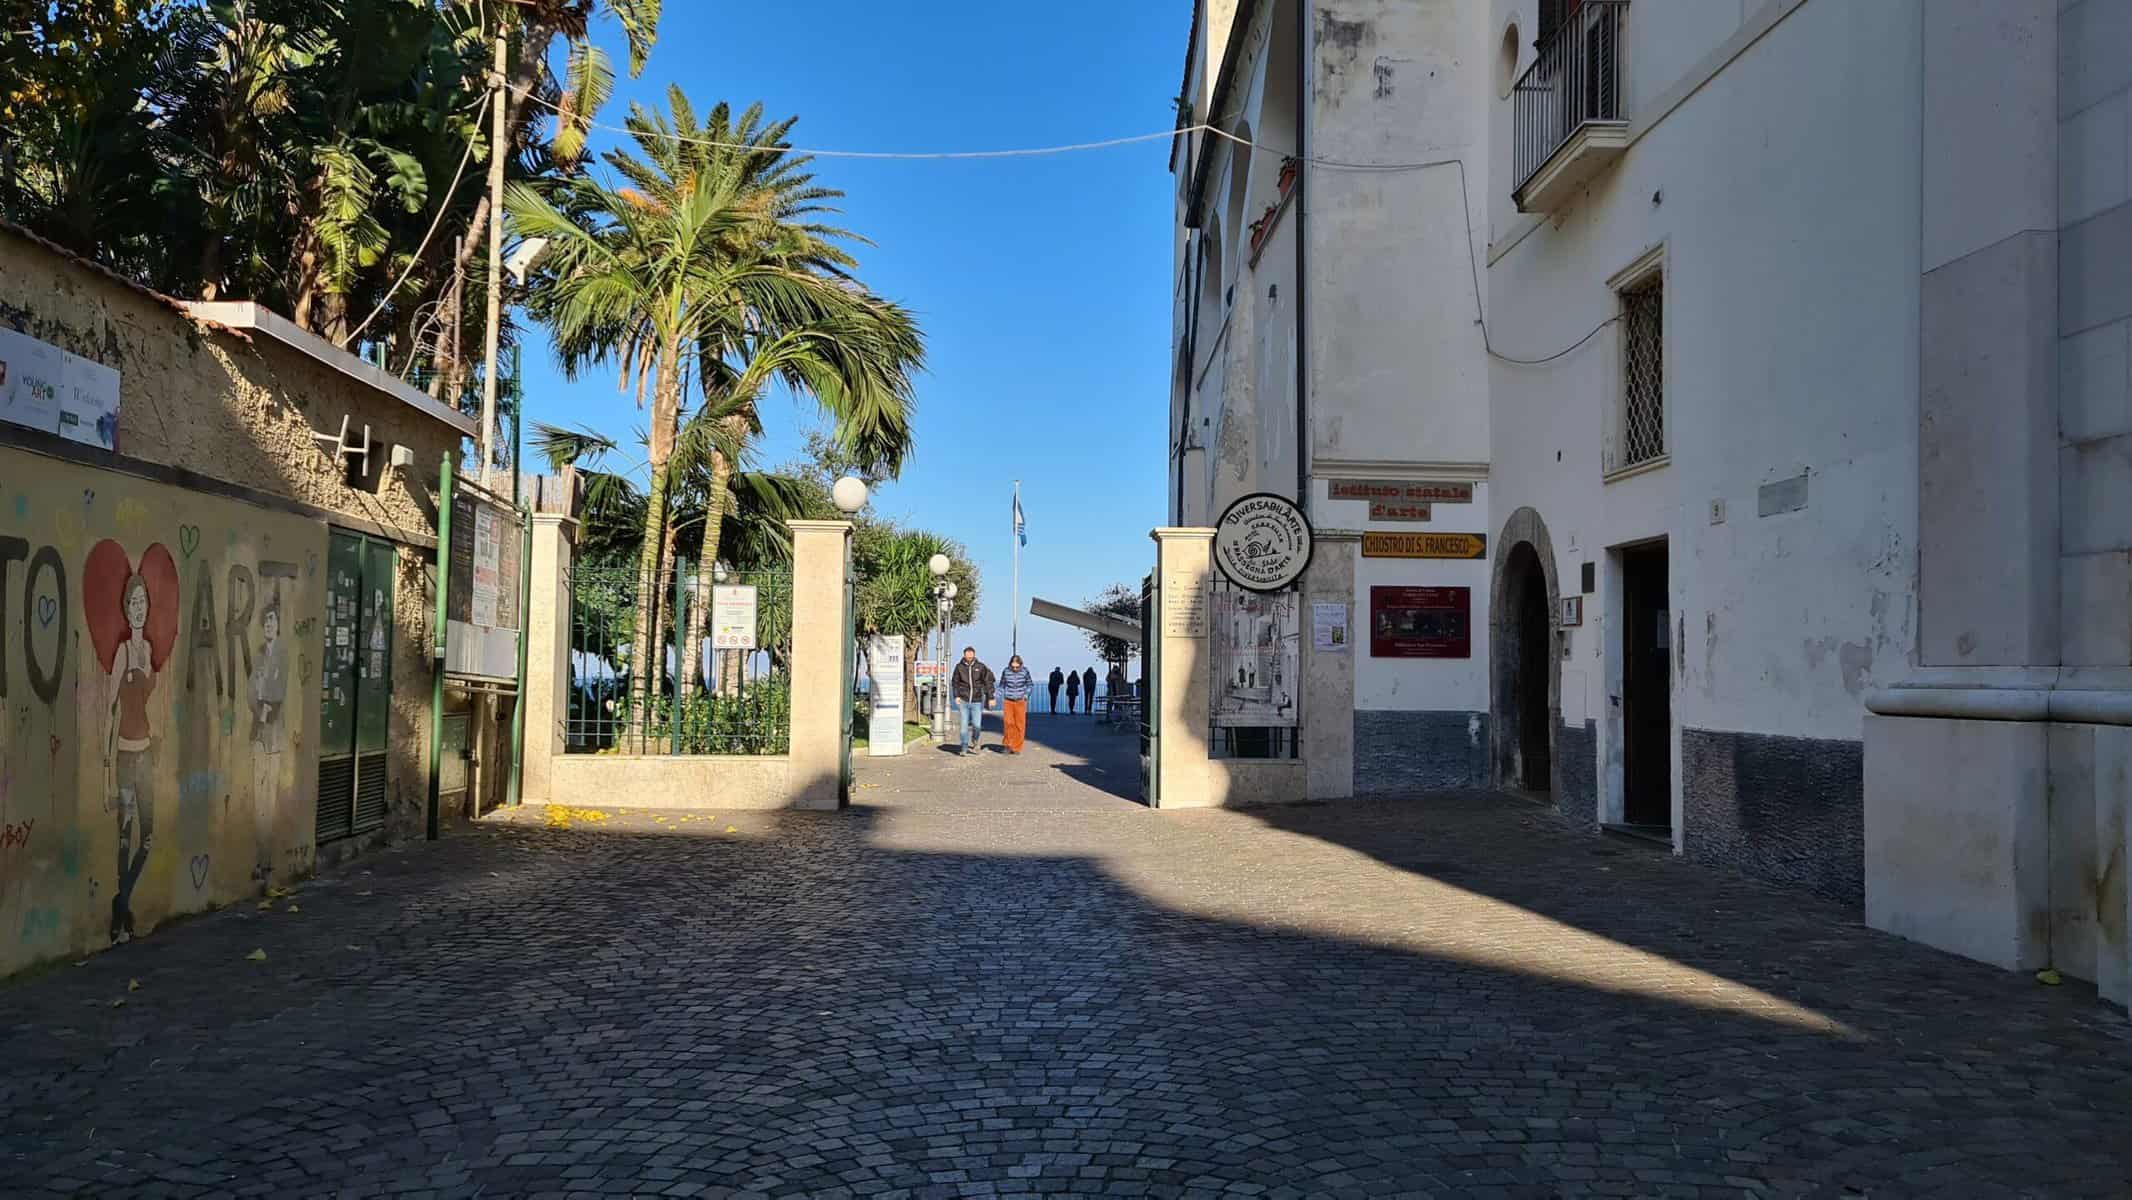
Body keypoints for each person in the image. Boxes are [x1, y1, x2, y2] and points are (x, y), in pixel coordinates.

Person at [949, 646, 996, 755]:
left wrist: (991, 697)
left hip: (977, 700)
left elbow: (989, 681)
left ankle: (975, 740)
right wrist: (956, 696)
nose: (969, 656)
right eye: (967, 654)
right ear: (964, 655)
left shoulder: (981, 667)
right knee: (963, 726)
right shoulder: (959, 667)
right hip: (963, 700)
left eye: (971, 654)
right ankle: (964, 747)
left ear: (974, 654)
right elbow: (955, 682)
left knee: (977, 725)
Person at [997, 655, 1033, 753]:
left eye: (1017, 667)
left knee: (1019, 725)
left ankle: (1017, 747)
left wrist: (1026, 695)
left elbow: (1030, 684)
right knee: (1008, 723)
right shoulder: (1006, 671)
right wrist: (995, 697)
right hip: (1008, 700)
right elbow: (1002, 685)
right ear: (1010, 665)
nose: (1015, 669)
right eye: (1013, 667)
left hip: (1021, 701)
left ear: (1020, 665)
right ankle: (1008, 745)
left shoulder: (1025, 671)